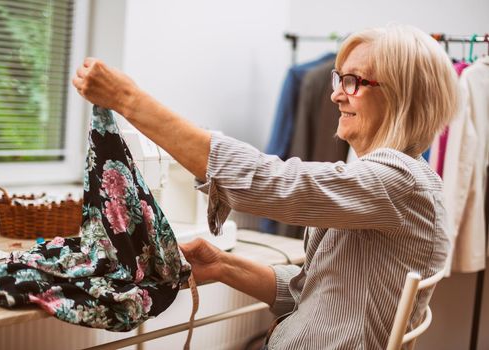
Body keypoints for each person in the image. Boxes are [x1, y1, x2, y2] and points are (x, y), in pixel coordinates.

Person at [73, 24, 459, 349]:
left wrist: (127, 99)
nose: (335, 93)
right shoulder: (396, 181)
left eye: (354, 82)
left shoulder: (399, 180)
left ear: (400, 96)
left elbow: (275, 183)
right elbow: (312, 292)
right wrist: (222, 265)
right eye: (338, 79)